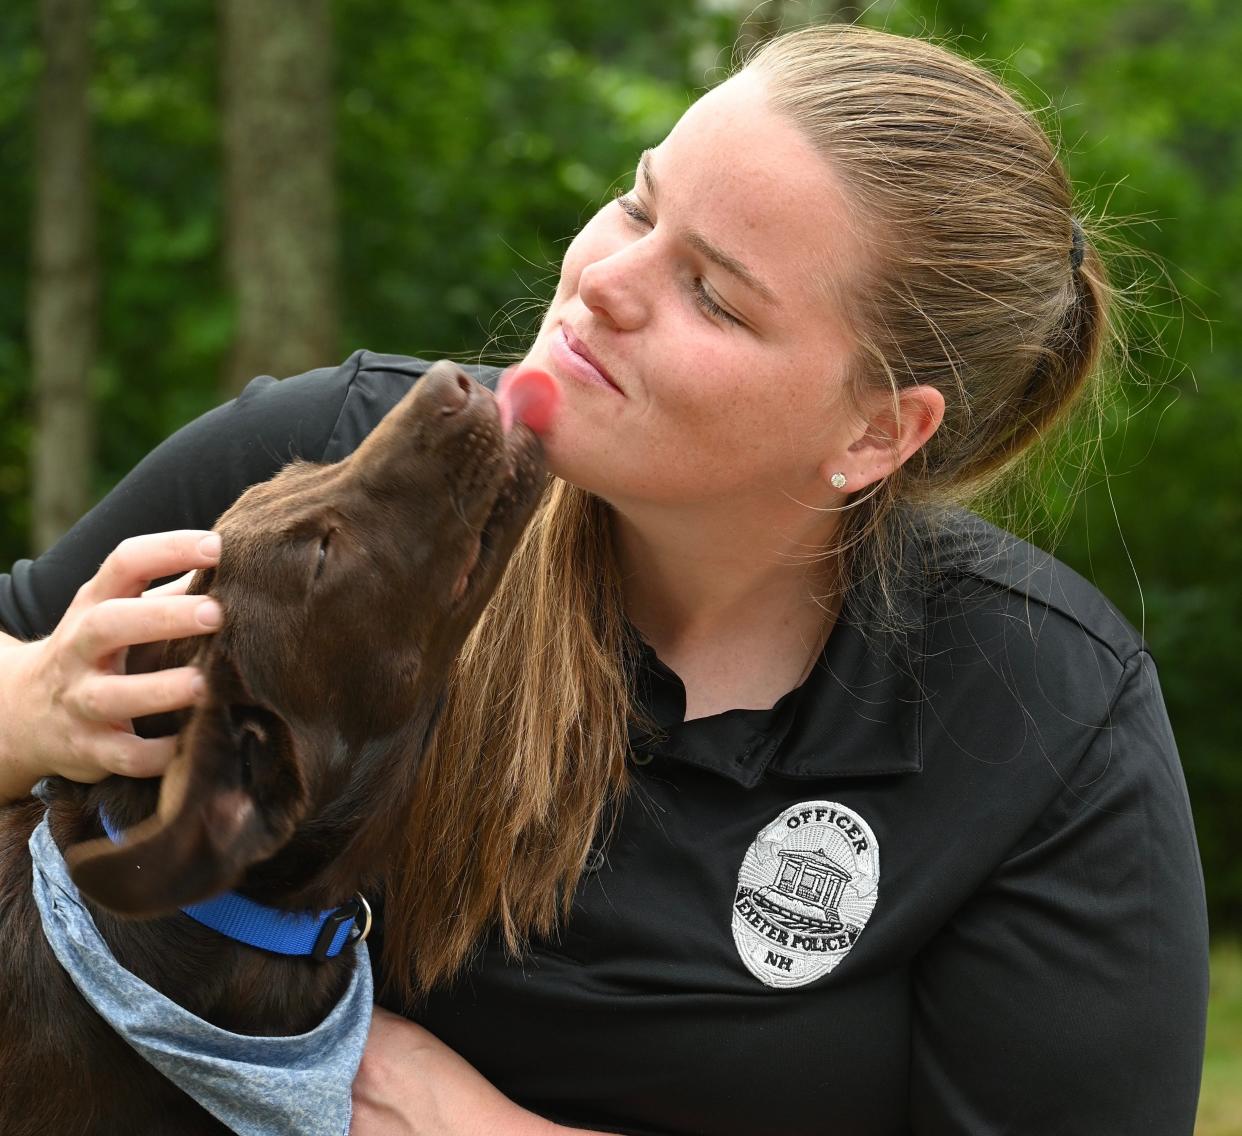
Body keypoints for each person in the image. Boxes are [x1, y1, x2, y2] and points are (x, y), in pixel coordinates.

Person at [0, 22, 1208, 1135]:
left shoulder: (1047, 709)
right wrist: (32, 700)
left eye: (713, 298)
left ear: (877, 434)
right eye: (639, 206)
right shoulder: (354, 478)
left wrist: (465, 1120)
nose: (601, 283)